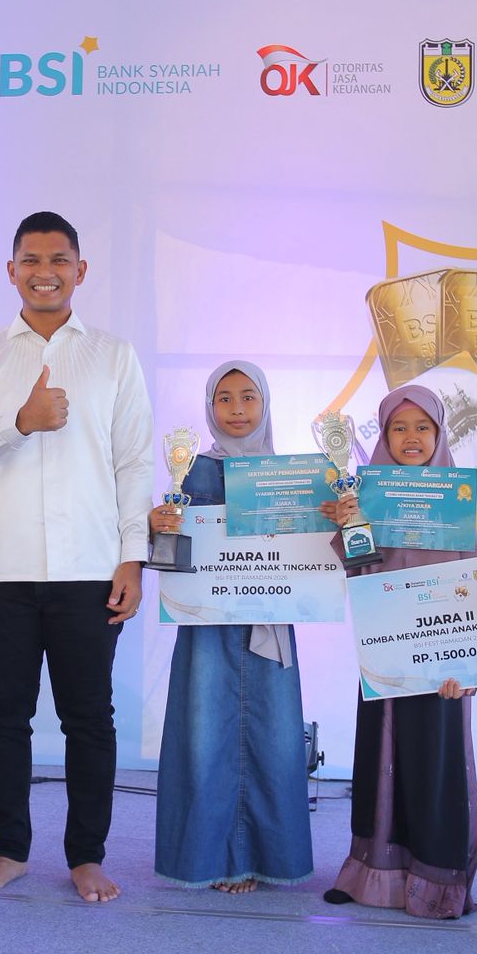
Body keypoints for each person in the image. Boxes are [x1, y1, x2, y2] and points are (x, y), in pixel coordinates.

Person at [0, 211, 153, 903]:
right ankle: (9, 850)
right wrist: (21, 422)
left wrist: (132, 560)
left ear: (80, 270)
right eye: (31, 259)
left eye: (59, 259)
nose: (45, 271)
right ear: (11, 271)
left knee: (89, 719)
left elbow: (134, 463)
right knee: (3, 717)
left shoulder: (114, 355)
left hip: (90, 569)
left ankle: (86, 855)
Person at [149, 361, 313, 893]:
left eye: (248, 397)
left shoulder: (293, 478)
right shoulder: (190, 472)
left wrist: (336, 519)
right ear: (209, 407)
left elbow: (315, 558)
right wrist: (161, 527)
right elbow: (174, 560)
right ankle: (213, 858)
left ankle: (264, 856)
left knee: (275, 737)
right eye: (224, 398)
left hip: (269, 624)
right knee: (205, 736)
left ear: (265, 404)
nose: (237, 409)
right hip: (207, 628)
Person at [319, 385, 477, 918]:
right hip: (386, 647)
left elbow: (473, 577)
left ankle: (437, 884)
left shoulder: (455, 500)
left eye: (422, 428)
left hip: (442, 655)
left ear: (439, 435)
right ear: (383, 436)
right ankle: (371, 873)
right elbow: (358, 567)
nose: (411, 438)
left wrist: (472, 660)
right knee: (379, 757)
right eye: (398, 428)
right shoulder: (367, 495)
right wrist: (348, 524)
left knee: (434, 762)